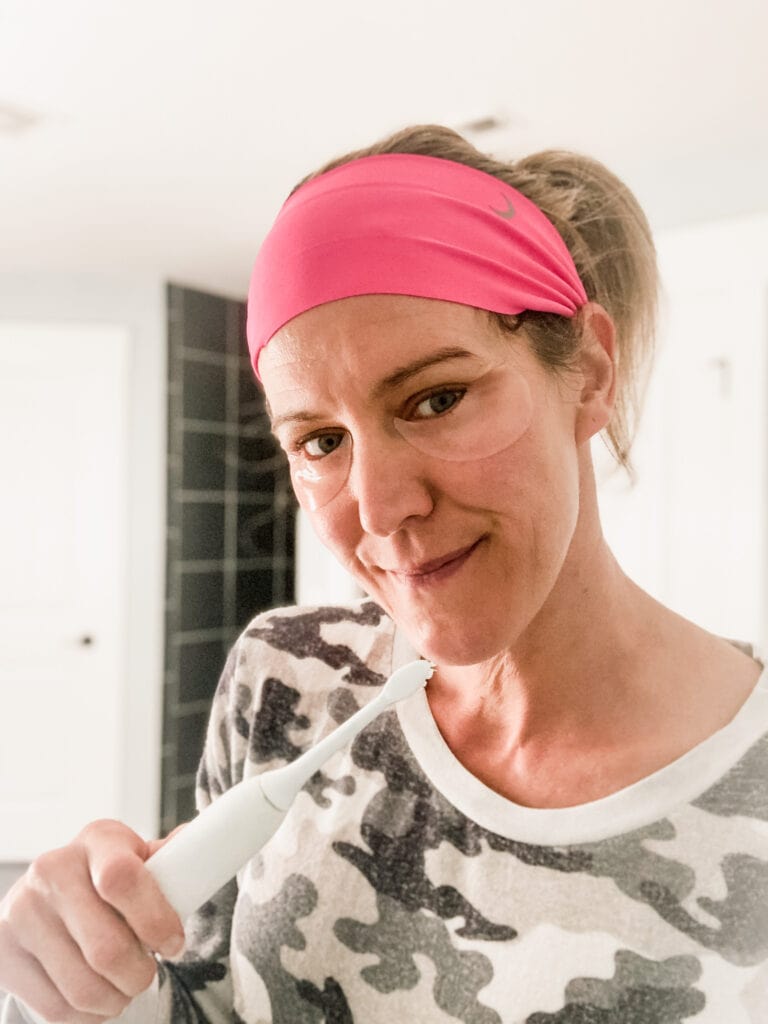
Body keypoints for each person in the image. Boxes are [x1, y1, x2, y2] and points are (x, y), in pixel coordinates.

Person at [2, 123, 766, 1024]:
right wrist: (100, 990)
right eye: (320, 442)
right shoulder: (285, 675)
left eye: (436, 400)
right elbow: (207, 1001)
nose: (379, 506)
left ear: (591, 373)